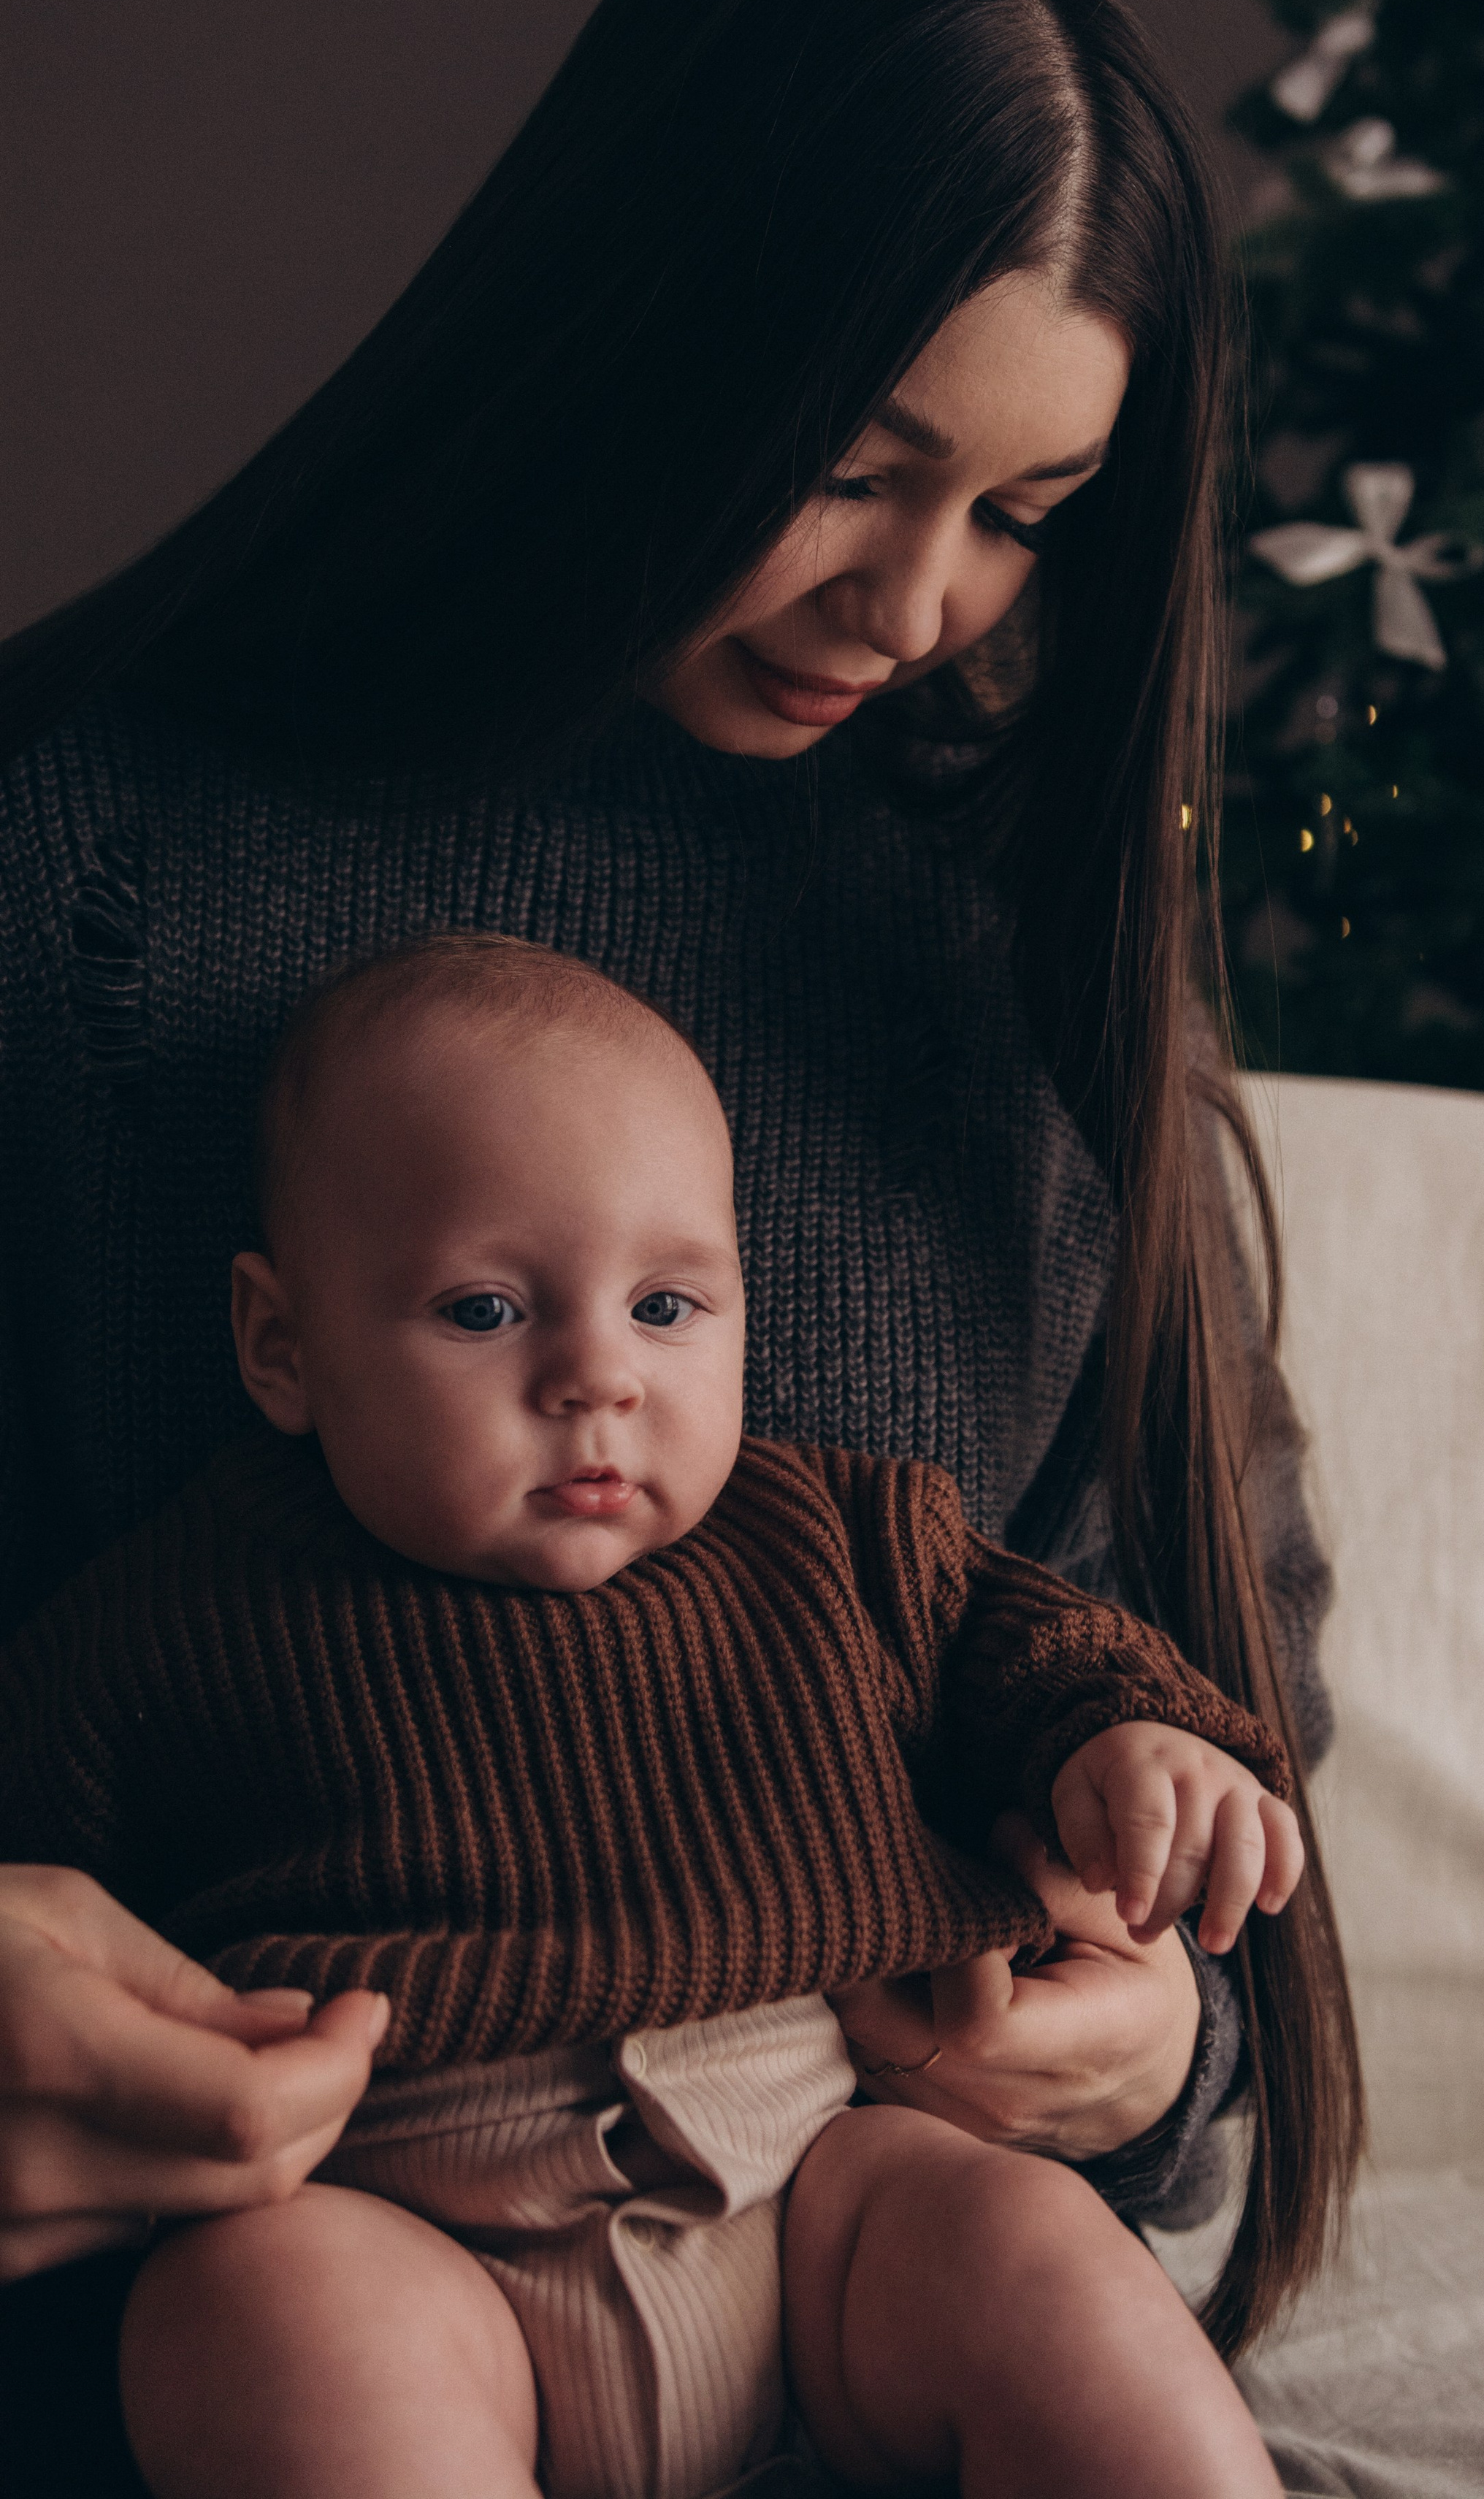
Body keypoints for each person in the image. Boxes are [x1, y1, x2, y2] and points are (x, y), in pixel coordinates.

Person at [0, 0, 1361, 2488]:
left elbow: (1162, 1688)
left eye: (1027, 518)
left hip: (854, 2263)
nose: (927, 608)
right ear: (634, 348)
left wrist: (1158, 2037)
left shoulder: (1006, 956)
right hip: (301, 2289)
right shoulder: (85, 883)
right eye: (859, 468)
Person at [7, 932, 1306, 2498]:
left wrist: (1134, 1746)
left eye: (669, 1305)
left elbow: (1038, 1651)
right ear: (282, 1346)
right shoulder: (171, 1622)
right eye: (485, 1311)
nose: (596, 1378)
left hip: (819, 2191)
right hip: (400, 2219)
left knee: (1028, 2254)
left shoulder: (837, 1539)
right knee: (248, 2310)